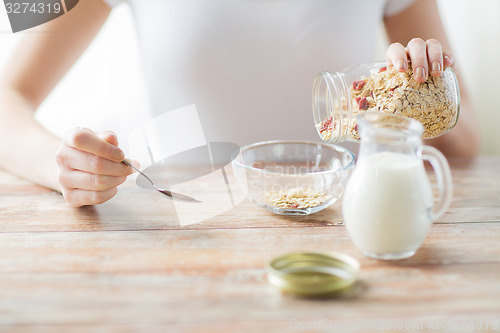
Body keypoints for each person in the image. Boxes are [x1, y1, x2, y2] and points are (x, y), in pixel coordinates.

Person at [0, 0, 480, 207]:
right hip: (182, 225)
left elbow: (464, 142)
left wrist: (418, 96)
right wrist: (61, 166)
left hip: (340, 229)